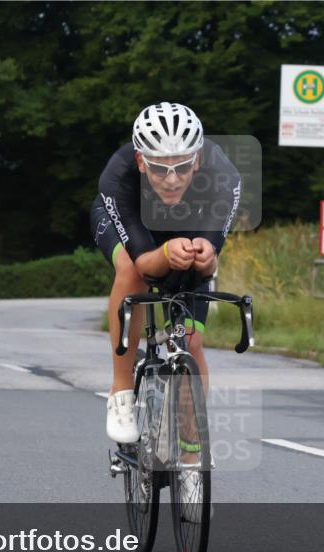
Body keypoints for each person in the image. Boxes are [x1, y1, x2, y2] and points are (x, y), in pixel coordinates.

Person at [90, 102, 241, 445]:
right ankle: (121, 390)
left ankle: (191, 455)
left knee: (192, 340)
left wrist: (207, 255)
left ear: (197, 160)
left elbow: (212, 251)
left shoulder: (224, 175)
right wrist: (165, 254)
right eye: (159, 169)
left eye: (183, 167)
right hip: (129, 226)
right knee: (132, 271)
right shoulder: (118, 174)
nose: (172, 180)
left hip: (185, 226)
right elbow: (145, 263)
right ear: (142, 162)